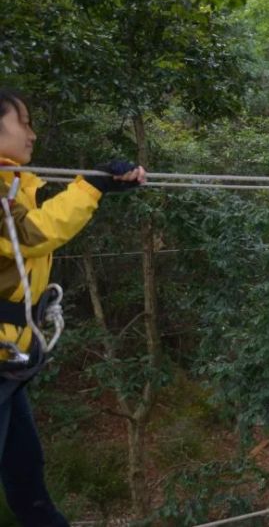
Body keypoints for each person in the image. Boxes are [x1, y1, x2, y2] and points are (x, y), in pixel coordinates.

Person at [0, 89, 146, 526]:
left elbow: (43, 210)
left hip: (9, 357)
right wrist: (92, 187)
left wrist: (102, 185)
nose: (32, 132)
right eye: (22, 121)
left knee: (26, 471)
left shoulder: (16, 184)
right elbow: (30, 235)